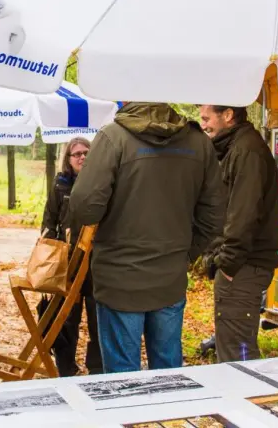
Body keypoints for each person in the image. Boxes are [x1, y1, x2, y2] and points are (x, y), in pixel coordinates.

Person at [68, 101, 225, 373]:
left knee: (122, 379)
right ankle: (168, 416)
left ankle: (129, 416)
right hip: (168, 277)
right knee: (167, 373)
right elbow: (214, 214)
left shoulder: (112, 138)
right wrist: (186, 253)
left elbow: (84, 208)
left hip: (120, 278)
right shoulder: (198, 142)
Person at [199, 104, 278, 363]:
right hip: (242, 265)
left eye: (206, 118)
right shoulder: (236, 148)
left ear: (228, 115)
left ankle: (245, 399)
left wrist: (228, 264)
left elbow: (243, 214)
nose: (203, 125)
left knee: (238, 352)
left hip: (244, 266)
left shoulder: (247, 151)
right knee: (232, 346)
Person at [40, 137, 102, 377]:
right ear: (68, 159)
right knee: (67, 318)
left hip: (96, 261)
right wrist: (51, 251)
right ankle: (66, 367)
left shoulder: (100, 182)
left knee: (98, 316)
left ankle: (97, 366)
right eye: (76, 154)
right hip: (67, 261)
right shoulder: (60, 184)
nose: (82, 157)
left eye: (86, 152)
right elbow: (49, 219)